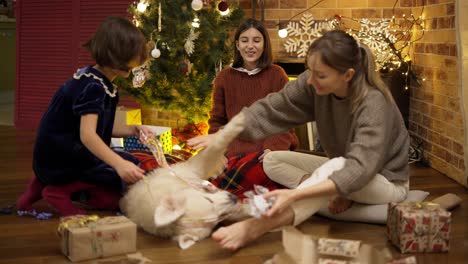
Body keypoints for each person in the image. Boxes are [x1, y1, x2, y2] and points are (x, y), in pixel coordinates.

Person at [189, 30, 409, 250]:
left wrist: (295, 195)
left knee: (338, 167)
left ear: (348, 75)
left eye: (320, 75)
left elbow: (361, 167)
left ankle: (257, 226)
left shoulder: (373, 103)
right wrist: (223, 135)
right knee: (272, 160)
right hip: (342, 168)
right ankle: (327, 192)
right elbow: (273, 107)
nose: (310, 81)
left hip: (383, 180)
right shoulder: (313, 81)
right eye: (309, 71)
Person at [16, 16, 153, 216]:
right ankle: (57, 192)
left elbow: (102, 127)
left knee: (121, 163)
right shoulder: (93, 88)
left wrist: (134, 129)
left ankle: (34, 191)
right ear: (117, 61)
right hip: (63, 161)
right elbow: (88, 136)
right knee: (126, 167)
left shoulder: (94, 78)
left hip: (50, 158)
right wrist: (119, 164)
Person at [188, 18, 298, 158]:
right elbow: (217, 121)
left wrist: (272, 149)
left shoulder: (277, 75)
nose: (250, 46)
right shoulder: (224, 77)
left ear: (264, 44)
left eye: (257, 40)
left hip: (267, 151)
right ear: (237, 45)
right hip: (231, 152)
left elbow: (284, 121)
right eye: (245, 40)